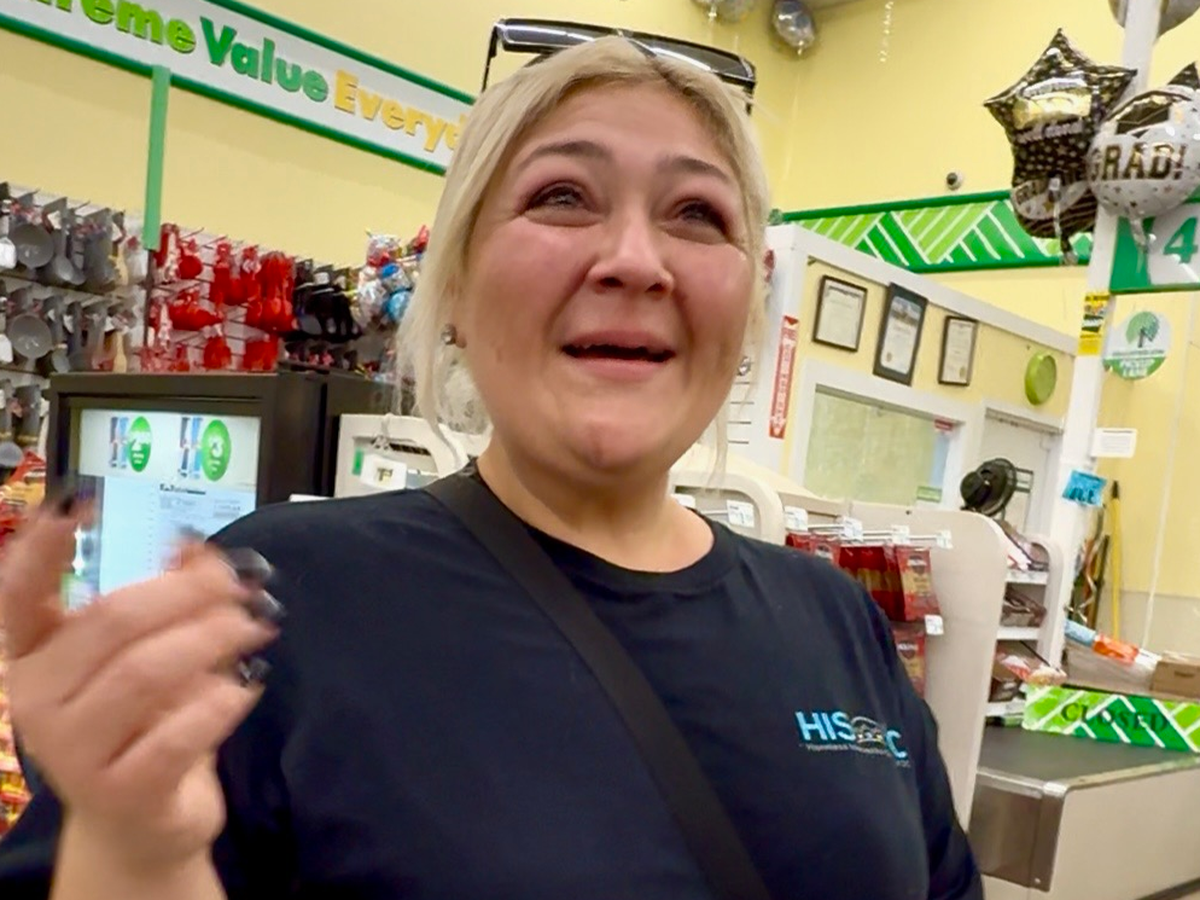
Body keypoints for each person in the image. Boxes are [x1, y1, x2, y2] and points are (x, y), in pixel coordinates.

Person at [0, 37, 982, 900]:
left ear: (747, 309)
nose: (635, 259)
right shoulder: (280, 598)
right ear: (457, 289)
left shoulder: (836, 621)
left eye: (696, 213)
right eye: (562, 197)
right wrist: (131, 852)